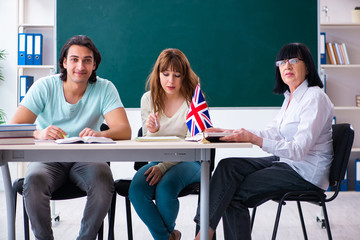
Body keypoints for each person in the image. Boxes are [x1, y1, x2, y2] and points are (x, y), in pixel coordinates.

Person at [194, 42, 334, 240]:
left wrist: (254, 139)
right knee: (228, 166)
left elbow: (298, 150)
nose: (287, 66)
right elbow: (273, 132)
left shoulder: (315, 98)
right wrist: (231, 132)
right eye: (282, 62)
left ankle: (202, 236)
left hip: (305, 173)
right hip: (287, 164)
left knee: (233, 194)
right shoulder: (291, 97)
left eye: (294, 60)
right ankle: (204, 232)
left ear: (308, 66)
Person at [10, 35, 131, 240]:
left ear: (94, 65)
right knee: (33, 181)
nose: (80, 66)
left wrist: (100, 133)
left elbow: (124, 130)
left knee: (103, 181)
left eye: (87, 60)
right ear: (64, 62)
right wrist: (39, 133)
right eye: (74, 59)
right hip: (48, 158)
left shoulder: (105, 88)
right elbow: (15, 127)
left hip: (87, 158)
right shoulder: (45, 86)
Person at [129, 48, 200, 240]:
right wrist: (151, 131)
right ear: (158, 73)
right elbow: (147, 144)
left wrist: (163, 166)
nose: (171, 81)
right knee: (136, 189)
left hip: (191, 162)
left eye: (177, 75)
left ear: (184, 76)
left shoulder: (193, 100)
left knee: (166, 187)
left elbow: (192, 144)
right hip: (159, 161)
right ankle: (169, 237)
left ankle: (164, 237)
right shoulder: (148, 99)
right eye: (165, 74)